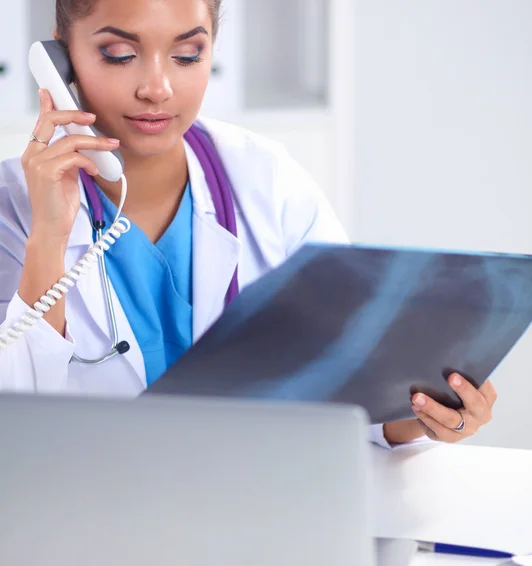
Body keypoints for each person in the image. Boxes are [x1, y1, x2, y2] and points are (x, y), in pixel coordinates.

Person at [0, 0, 497, 447]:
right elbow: (17, 430)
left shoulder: (267, 180)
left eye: (188, 54)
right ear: (60, 62)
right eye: (120, 54)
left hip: (255, 509)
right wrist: (49, 235)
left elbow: (350, 382)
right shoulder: (13, 210)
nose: (157, 87)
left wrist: (419, 416)